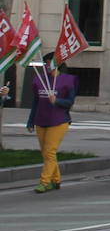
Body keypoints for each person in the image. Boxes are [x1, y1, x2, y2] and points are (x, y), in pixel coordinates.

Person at [26, 51, 77, 193]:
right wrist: (30, 121)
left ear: (58, 64)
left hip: (59, 121)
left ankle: (44, 182)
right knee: (46, 153)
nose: (47, 66)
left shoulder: (68, 80)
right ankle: (56, 179)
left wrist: (57, 101)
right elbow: (35, 102)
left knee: (49, 151)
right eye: (46, 64)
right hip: (41, 120)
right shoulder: (39, 80)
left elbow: (70, 102)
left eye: (50, 63)